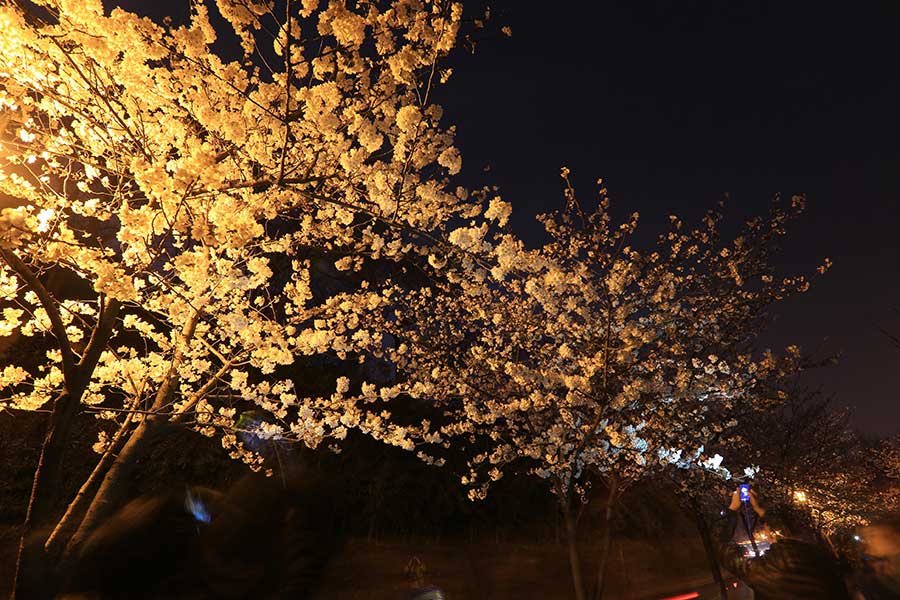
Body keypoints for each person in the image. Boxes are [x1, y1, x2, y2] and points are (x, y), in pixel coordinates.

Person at [718, 487, 853, 599]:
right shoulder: (824, 558)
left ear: (770, 531)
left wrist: (732, 509)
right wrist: (762, 512)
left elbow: (722, 548)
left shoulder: (764, 569)